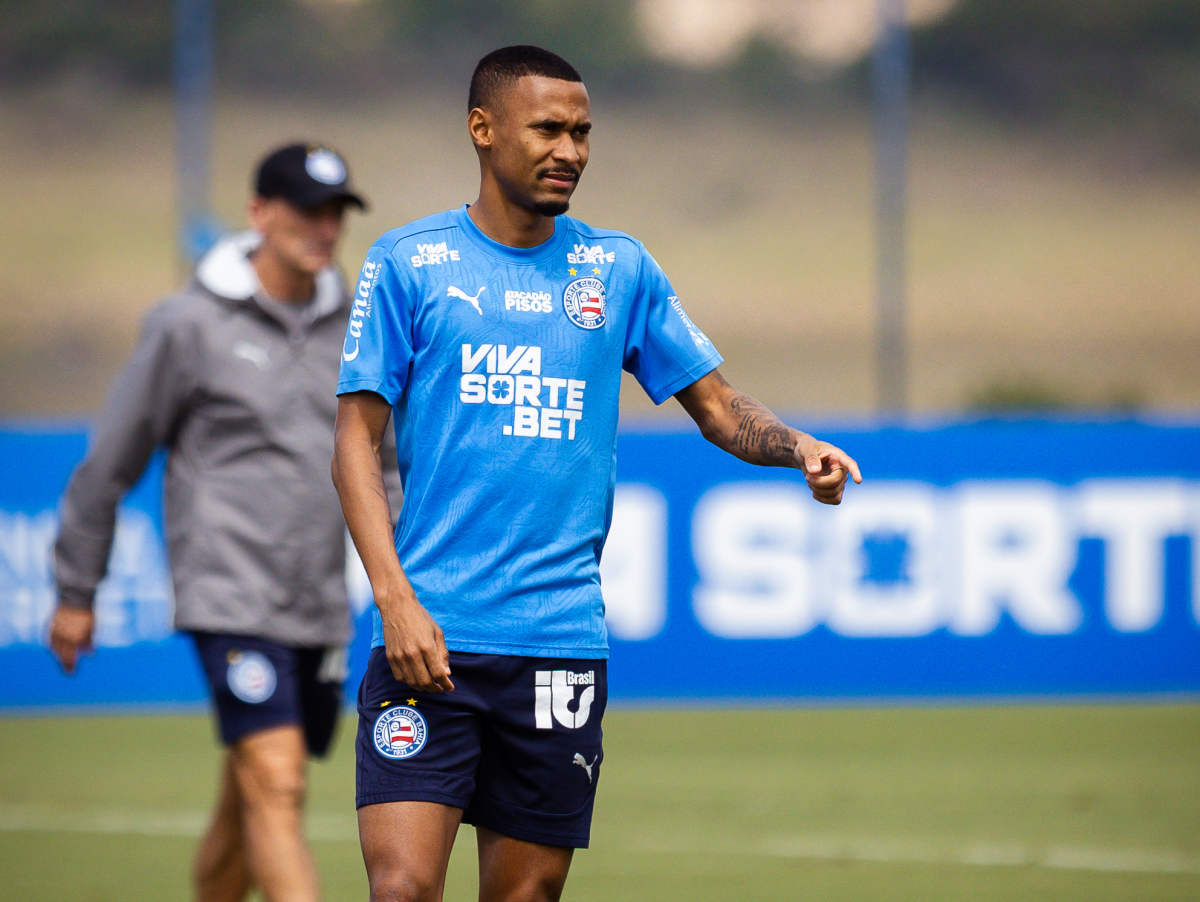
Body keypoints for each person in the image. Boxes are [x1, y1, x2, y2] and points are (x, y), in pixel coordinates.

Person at [331, 46, 862, 902]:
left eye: (582, 132)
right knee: (401, 890)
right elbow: (353, 443)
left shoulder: (615, 269)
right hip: (430, 638)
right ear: (482, 129)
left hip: (559, 648)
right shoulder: (409, 263)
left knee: (525, 897)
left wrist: (796, 445)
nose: (569, 150)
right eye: (547, 128)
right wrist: (396, 600)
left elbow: (720, 408)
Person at [49, 142, 385, 902]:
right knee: (276, 778)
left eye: (335, 213)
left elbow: (382, 466)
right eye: (306, 209)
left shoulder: (361, 326)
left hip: (318, 603)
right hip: (229, 594)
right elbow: (111, 462)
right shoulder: (187, 325)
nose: (324, 227)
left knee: (251, 796)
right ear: (258, 212)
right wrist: (76, 588)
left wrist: (405, 580)